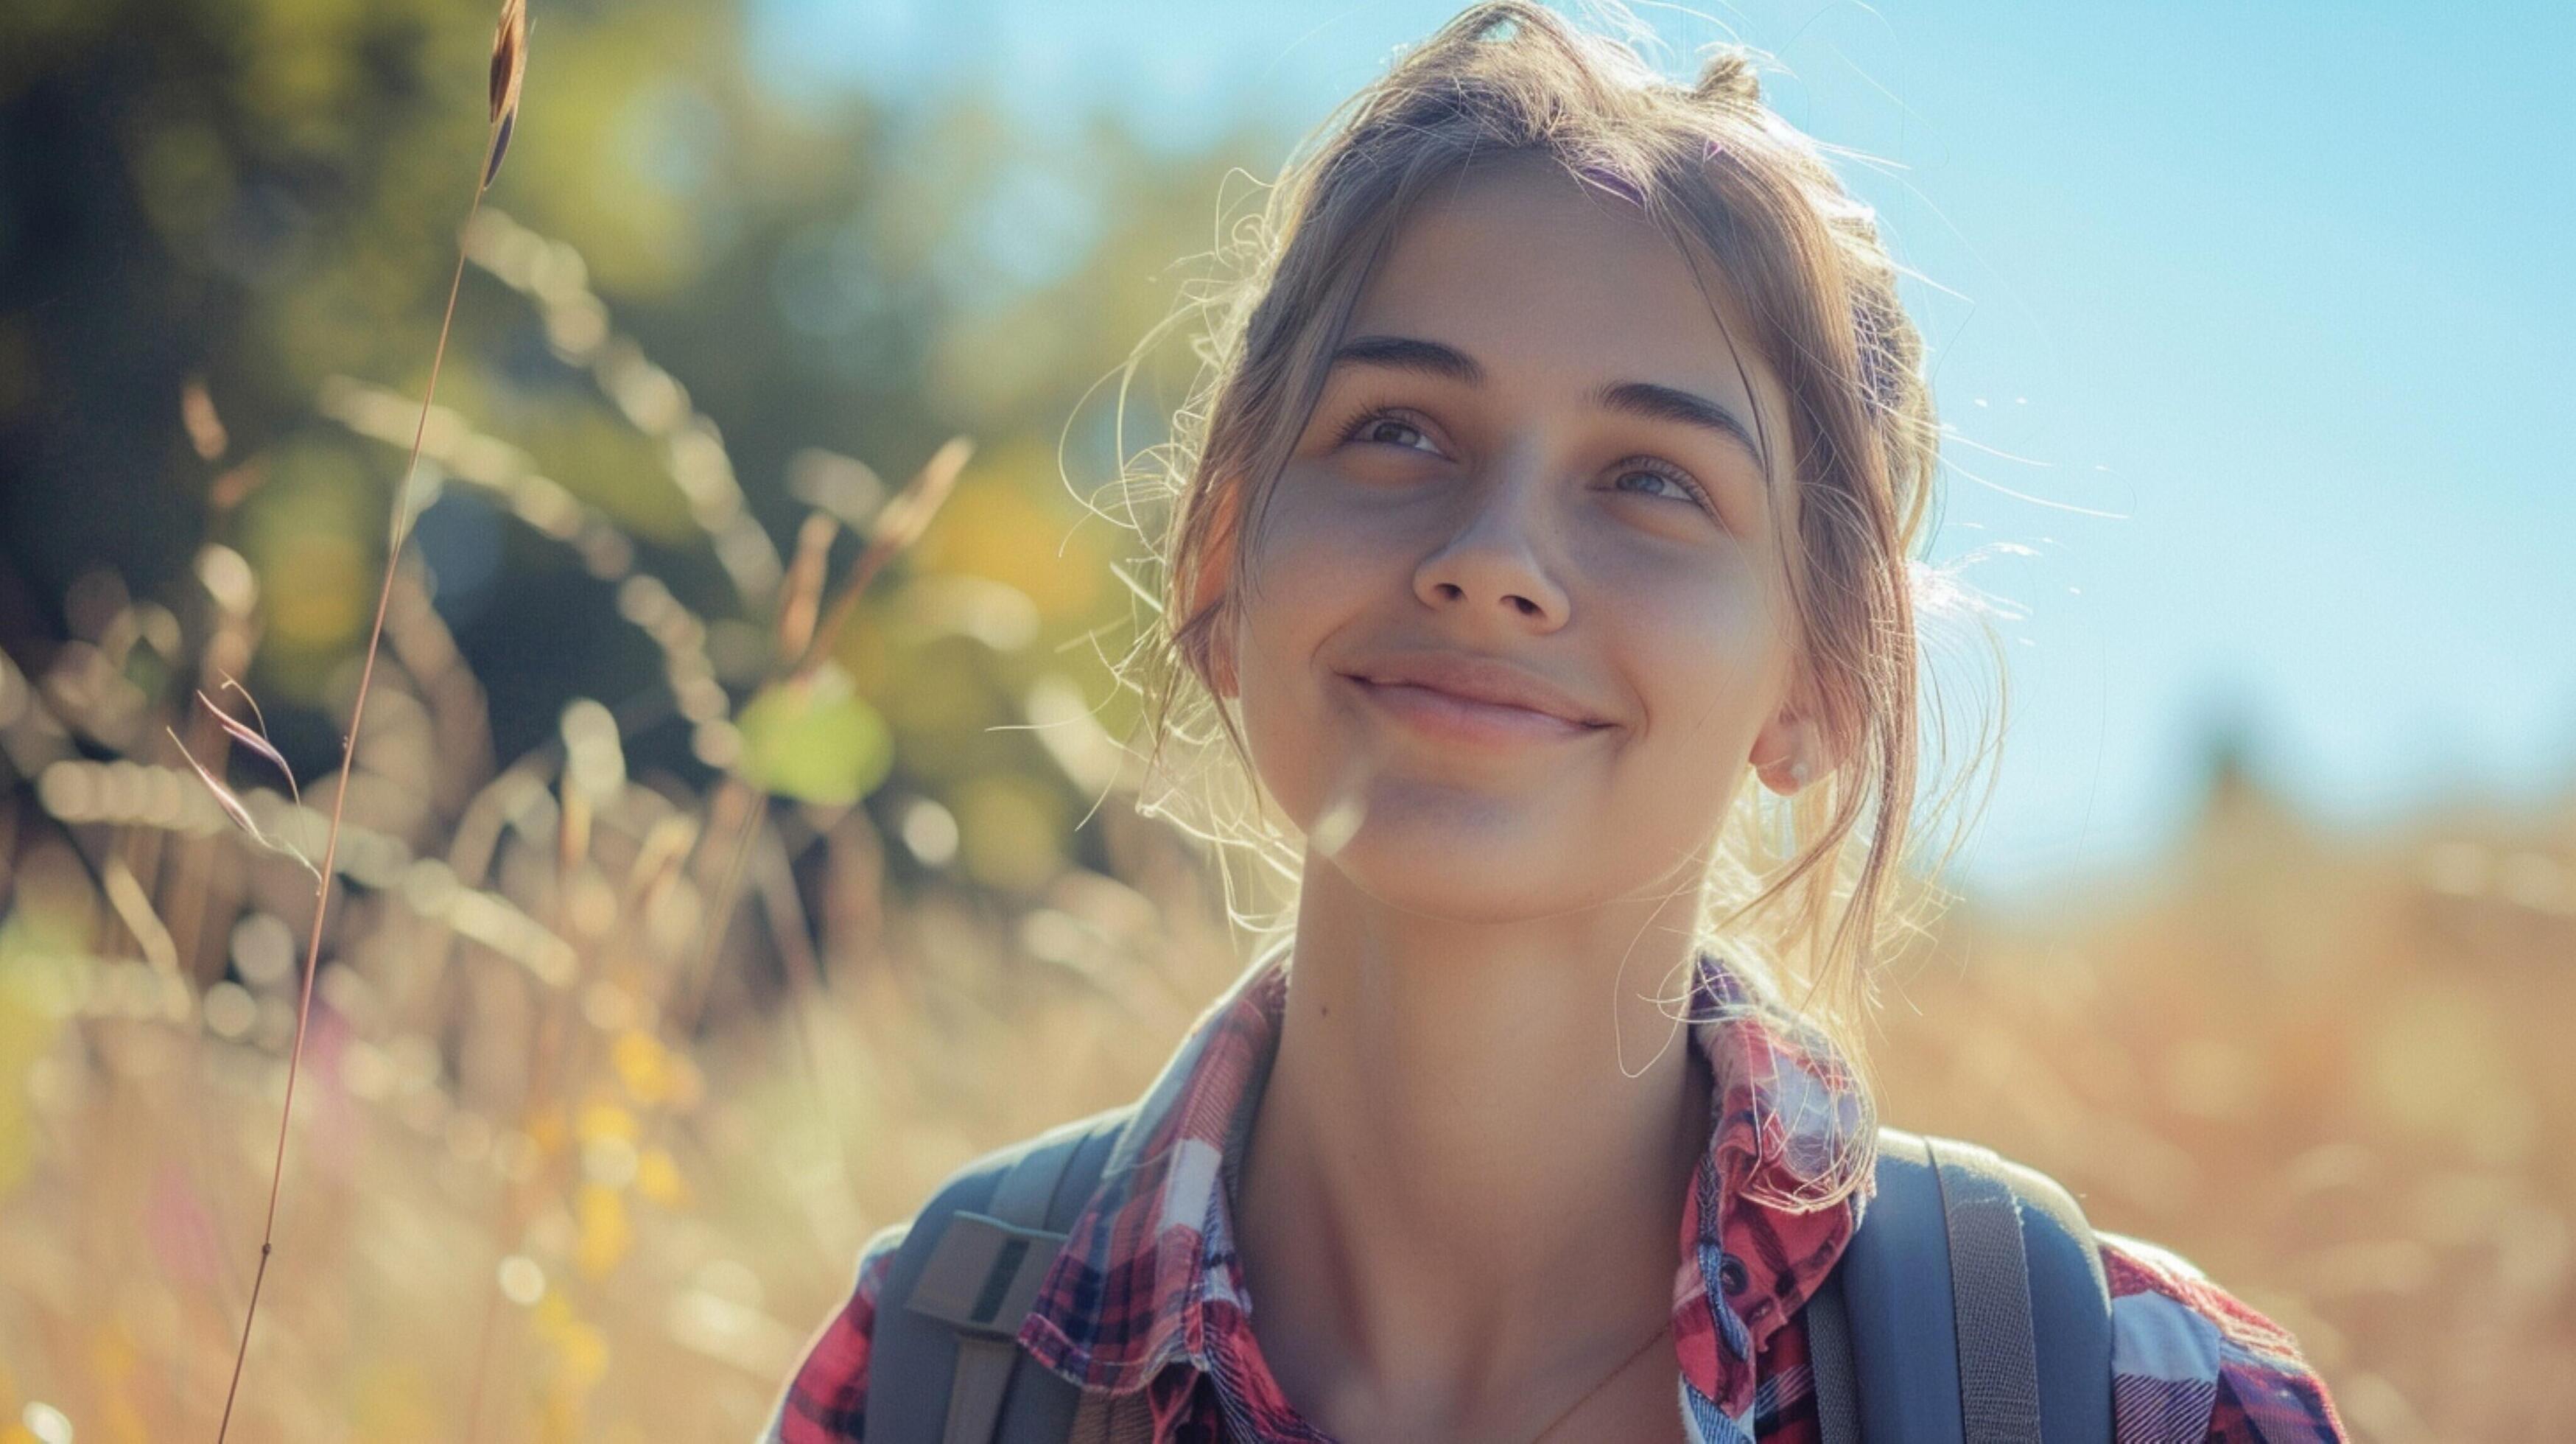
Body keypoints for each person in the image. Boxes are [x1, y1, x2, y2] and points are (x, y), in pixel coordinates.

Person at [771, 4, 2347, 1439]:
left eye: (1652, 479)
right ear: (1217, 551)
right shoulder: (929, 1371)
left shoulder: (2143, 1401)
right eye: (1397, 428)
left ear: (1823, 679)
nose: (1490, 561)